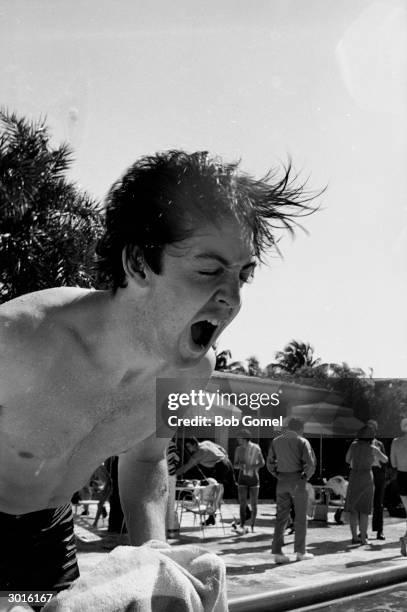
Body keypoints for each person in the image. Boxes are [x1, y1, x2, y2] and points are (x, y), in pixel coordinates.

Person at [0, 149, 316, 593]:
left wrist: (157, 557)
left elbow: (147, 460)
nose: (232, 298)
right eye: (209, 270)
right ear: (137, 263)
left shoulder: (189, 370)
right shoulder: (18, 339)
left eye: (242, 276)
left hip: (51, 536)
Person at [267, 418, 316, 563]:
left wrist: (278, 474)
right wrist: (305, 477)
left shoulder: (276, 441)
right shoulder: (302, 441)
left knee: (281, 518)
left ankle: (278, 553)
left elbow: (270, 463)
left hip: (281, 481)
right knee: (300, 518)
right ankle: (301, 551)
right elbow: (310, 464)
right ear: (300, 429)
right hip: (298, 481)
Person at [176, 437, 236, 525]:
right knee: (233, 487)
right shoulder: (206, 442)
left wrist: (173, 474)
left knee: (214, 491)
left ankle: (212, 516)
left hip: (220, 466)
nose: (189, 449)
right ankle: (246, 511)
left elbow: (186, 468)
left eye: (189, 446)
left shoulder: (199, 453)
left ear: (195, 444)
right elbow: (221, 448)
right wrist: (225, 457)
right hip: (227, 462)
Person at [344, 425, 387, 545]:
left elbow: (347, 459)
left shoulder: (353, 445)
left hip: (354, 476)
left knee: (353, 509)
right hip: (367, 477)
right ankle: (363, 538)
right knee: (364, 510)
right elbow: (385, 460)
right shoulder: (373, 448)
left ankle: (354, 537)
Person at [233, 429, 265, 533]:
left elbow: (262, 463)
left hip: (254, 479)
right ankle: (242, 525)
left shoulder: (256, 448)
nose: (237, 439)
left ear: (244, 438)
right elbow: (235, 465)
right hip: (242, 479)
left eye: (239, 438)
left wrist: (252, 466)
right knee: (242, 503)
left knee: (254, 504)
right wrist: (240, 466)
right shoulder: (238, 449)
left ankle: (252, 526)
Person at [367, 419, 388, 540]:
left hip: (378, 473)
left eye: (372, 428)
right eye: (368, 428)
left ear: (375, 430)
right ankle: (363, 531)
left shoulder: (379, 444)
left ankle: (379, 531)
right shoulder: (361, 444)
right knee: (365, 502)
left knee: (378, 504)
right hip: (366, 472)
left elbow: (386, 461)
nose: (370, 430)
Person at [390, 417, 407, 556]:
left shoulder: (396, 442)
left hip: (402, 477)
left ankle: (405, 539)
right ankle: (405, 539)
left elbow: (394, 464)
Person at [166, 438, 180, 537]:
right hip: (170, 475)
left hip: (157, 475)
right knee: (170, 504)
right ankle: (170, 529)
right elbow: (177, 459)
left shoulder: (155, 444)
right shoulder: (171, 444)